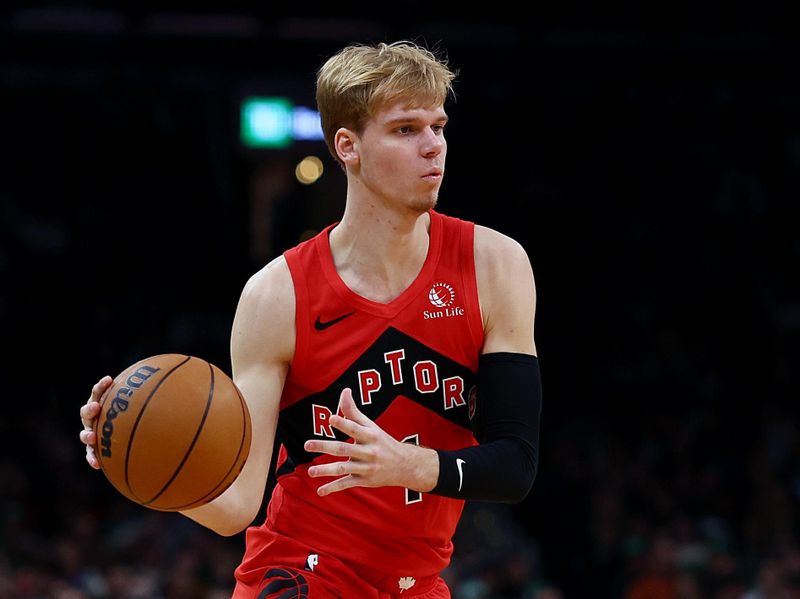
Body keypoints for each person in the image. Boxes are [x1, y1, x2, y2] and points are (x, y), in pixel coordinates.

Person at [79, 40, 542, 599]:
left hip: (415, 583)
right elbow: (236, 507)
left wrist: (410, 465)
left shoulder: (494, 265)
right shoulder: (278, 295)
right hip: (300, 572)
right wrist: (139, 460)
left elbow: (515, 466)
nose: (433, 147)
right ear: (347, 146)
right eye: (405, 130)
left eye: (438, 126)